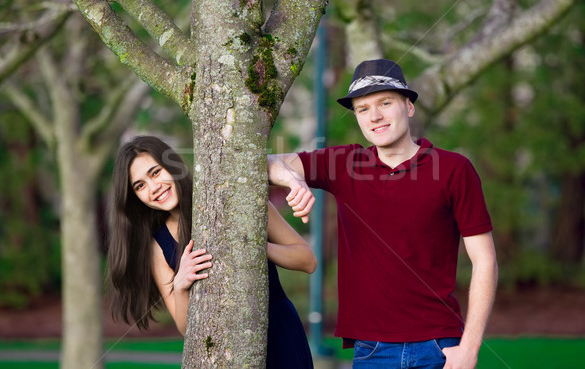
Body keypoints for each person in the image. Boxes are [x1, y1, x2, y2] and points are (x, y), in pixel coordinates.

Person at [268, 59, 498, 369]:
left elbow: (485, 261)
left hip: (440, 348)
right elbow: (261, 161)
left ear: (409, 106)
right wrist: (292, 179)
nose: (374, 116)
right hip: (373, 352)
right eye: (363, 109)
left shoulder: (454, 170)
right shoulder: (344, 163)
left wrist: (469, 348)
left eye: (385, 103)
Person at [107, 135, 316, 368]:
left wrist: (255, 247)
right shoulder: (157, 246)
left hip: (279, 332)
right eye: (140, 186)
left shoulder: (239, 199)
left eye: (155, 172)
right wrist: (180, 285)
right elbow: (186, 327)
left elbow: (307, 260)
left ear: (172, 165)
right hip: (225, 349)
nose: (153, 188)